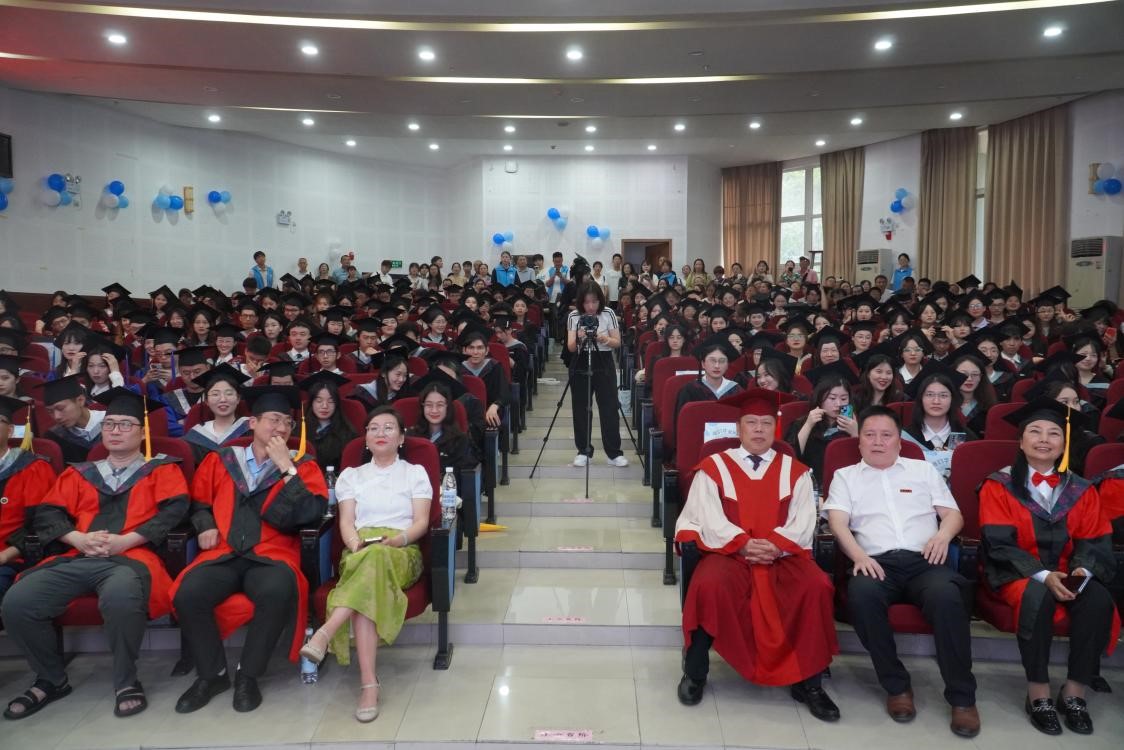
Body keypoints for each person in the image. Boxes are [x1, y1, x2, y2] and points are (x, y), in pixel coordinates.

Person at [2, 388, 189, 720]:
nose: (115, 431)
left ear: (142, 432)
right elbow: (48, 513)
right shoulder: (79, 472)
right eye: (109, 424)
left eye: (125, 424)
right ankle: (50, 679)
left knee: (120, 596)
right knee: (18, 600)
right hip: (79, 556)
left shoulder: (161, 469)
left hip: (132, 558)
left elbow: (173, 513)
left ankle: (126, 680)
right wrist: (78, 539)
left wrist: (125, 542)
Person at [674, 388, 839, 720]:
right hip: (729, 554)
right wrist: (743, 543)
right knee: (710, 586)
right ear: (739, 428)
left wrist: (775, 545)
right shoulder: (714, 467)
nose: (759, 429)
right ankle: (695, 671)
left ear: (775, 428)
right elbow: (705, 515)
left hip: (783, 555)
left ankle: (810, 682)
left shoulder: (796, 471)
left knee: (816, 586)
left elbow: (804, 520)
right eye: (751, 422)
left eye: (766, 423)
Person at [824, 406, 980, 737]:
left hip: (925, 561)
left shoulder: (922, 470)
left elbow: (953, 514)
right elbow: (837, 522)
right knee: (862, 596)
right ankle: (897, 686)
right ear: (859, 440)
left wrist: (942, 536)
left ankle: (962, 698)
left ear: (899, 440)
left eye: (886, 435)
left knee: (948, 598)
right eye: (869, 435)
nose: (877, 442)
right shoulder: (846, 476)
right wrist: (858, 556)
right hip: (875, 561)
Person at [172, 385, 328, 714]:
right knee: (189, 593)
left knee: (276, 590)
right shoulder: (221, 460)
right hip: (223, 552)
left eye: (287, 422)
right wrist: (205, 524)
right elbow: (198, 502)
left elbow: (311, 513)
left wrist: (286, 467)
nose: (281, 428)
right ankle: (212, 674)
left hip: (273, 554)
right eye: (274, 420)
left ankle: (248, 675)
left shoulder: (303, 465)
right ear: (253, 423)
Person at [979, 399, 1119, 736]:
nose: (1044, 439)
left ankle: (1074, 692)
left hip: (1069, 570)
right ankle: (1038, 692)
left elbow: (1094, 539)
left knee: (1098, 600)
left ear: (1064, 443)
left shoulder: (1081, 489)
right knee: (1037, 595)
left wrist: (1081, 573)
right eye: (1035, 431)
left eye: (1054, 433)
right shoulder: (998, 485)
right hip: (1017, 573)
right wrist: (1043, 575)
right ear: (1021, 441)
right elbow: (998, 544)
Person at [297, 407, 431, 721]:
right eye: (373, 428)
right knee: (370, 570)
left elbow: (421, 522)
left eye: (388, 427)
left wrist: (396, 541)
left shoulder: (415, 473)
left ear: (401, 437)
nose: (380, 433)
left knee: (376, 559)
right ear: (366, 438)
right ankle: (369, 684)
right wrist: (356, 544)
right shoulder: (351, 476)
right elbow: (346, 523)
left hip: (402, 550)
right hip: (359, 549)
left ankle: (325, 633)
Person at [0, 395, 56, 606]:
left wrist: (6, 555)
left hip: (12, 558)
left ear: (10, 431)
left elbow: (43, 524)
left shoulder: (33, 469)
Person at [566, 280, 628, 467]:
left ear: (600, 300)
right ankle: (583, 451)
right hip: (580, 361)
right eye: (586, 302)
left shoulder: (608, 313)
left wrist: (603, 338)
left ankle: (614, 453)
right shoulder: (574, 315)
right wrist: (579, 337)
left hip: (604, 360)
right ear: (581, 302)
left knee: (609, 407)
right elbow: (570, 347)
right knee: (581, 407)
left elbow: (617, 342)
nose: (591, 306)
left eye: (594, 301)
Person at [785, 372, 858, 483]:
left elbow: (860, 462)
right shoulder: (802, 423)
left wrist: (855, 434)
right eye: (832, 398)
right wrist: (808, 425)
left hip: (844, 483)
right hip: (809, 483)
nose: (838, 404)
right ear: (820, 398)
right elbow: (791, 457)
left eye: (844, 399)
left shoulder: (854, 425)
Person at [183, 365, 251, 465]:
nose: (223, 399)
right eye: (215, 394)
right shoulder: (196, 435)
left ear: (238, 399)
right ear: (206, 401)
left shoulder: (251, 429)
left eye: (229, 393)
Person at [36, 375, 105, 463]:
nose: (56, 416)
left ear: (80, 400)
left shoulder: (111, 423)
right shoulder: (54, 437)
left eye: (60, 408)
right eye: (50, 411)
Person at [301, 370, 357, 474]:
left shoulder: (347, 434)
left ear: (337, 404)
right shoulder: (299, 431)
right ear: (311, 403)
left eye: (331, 401)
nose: (325, 406)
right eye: (319, 401)